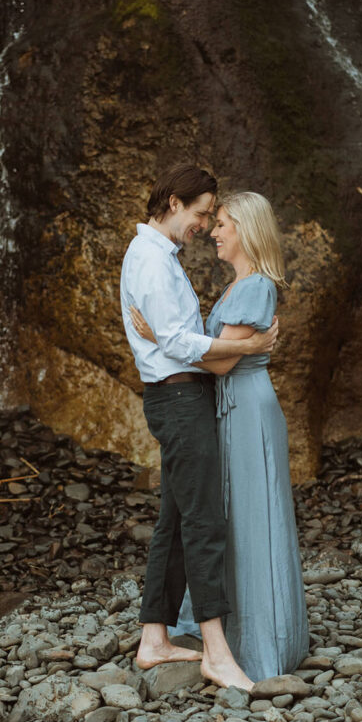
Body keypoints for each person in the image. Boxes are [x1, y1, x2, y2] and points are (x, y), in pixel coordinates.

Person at [131, 190, 308, 682]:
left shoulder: (253, 288)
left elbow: (226, 360)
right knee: (231, 513)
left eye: (224, 222)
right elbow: (223, 352)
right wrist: (172, 341)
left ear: (247, 230)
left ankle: (259, 641)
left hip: (246, 406)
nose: (214, 230)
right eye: (213, 220)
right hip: (232, 403)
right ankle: (234, 633)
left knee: (250, 516)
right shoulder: (240, 286)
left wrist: (161, 340)